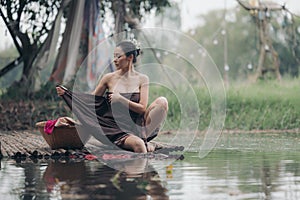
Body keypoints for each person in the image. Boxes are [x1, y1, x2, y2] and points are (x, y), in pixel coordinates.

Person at [56, 40, 168, 153]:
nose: (115, 60)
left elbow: (142, 109)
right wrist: (68, 94)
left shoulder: (142, 79)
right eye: (114, 56)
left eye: (118, 56)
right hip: (116, 129)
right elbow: (91, 102)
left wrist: (120, 99)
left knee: (162, 102)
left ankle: (143, 140)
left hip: (139, 126)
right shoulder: (108, 78)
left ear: (130, 57)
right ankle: (141, 146)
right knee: (139, 145)